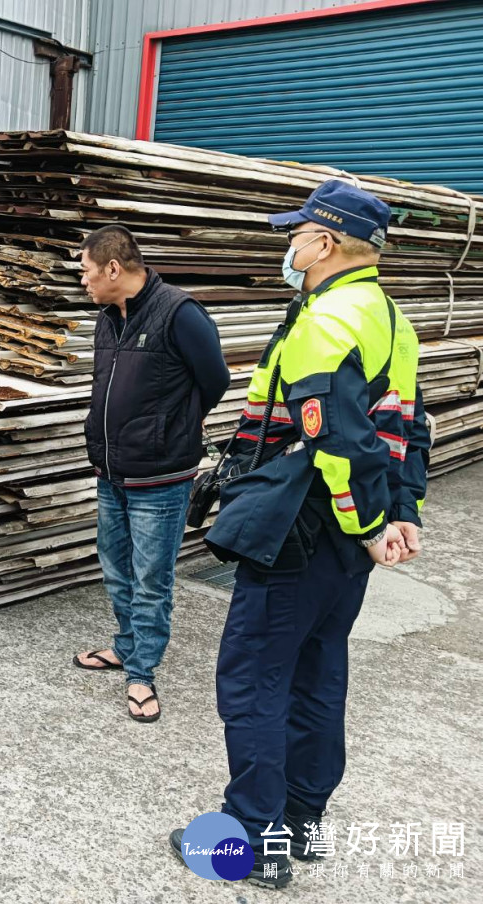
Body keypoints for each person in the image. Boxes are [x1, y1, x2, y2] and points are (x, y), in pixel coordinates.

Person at [169, 181, 430, 889]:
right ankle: (302, 824)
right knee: (318, 674)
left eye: (298, 234)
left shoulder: (325, 320)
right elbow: (408, 426)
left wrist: (374, 523)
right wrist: (403, 511)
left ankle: (254, 842)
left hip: (304, 526)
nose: (290, 246)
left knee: (255, 680)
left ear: (325, 243)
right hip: (345, 543)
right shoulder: (388, 316)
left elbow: (340, 441)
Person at [75, 225, 231, 722]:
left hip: (160, 477)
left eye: (86, 271)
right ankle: (125, 647)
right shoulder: (107, 318)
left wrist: (175, 423)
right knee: (116, 568)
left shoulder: (180, 313)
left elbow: (216, 379)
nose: (84, 281)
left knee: (151, 578)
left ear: (113, 268)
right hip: (111, 469)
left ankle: (142, 673)